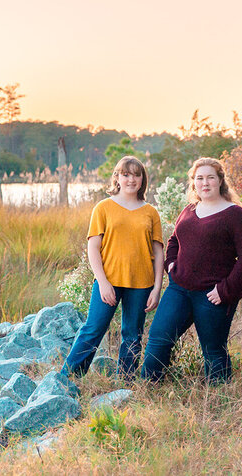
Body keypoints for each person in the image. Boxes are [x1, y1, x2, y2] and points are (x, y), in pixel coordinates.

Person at [141, 157, 242, 383]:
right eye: (199, 178)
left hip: (212, 295)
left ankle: (218, 400)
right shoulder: (189, 209)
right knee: (158, 339)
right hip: (179, 289)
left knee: (213, 351)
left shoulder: (235, 215)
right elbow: (174, 239)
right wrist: (171, 263)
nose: (205, 183)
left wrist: (225, 291)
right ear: (193, 182)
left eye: (210, 178)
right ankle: (148, 389)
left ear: (220, 181)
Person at [63, 156, 164, 378]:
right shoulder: (104, 207)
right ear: (117, 177)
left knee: (132, 335)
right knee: (93, 330)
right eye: (126, 174)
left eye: (136, 175)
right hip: (108, 281)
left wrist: (157, 289)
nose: (131, 179)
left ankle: (125, 382)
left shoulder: (150, 212)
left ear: (142, 179)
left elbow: (158, 253)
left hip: (141, 283)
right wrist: (102, 282)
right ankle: (67, 379)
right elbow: (93, 248)